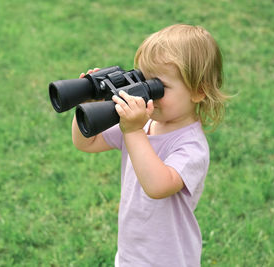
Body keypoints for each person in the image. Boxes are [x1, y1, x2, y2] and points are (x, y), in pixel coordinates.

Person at [72, 24, 228, 267]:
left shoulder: (191, 146)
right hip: (130, 254)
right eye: (142, 80)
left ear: (198, 92)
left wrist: (133, 130)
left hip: (169, 259)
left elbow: (158, 186)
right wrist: (88, 100)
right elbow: (87, 142)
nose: (148, 94)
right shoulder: (143, 124)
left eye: (158, 87)